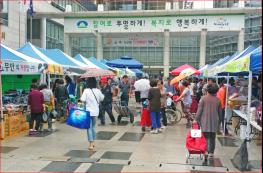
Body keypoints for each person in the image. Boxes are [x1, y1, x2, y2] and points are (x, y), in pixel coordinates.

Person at [195, 83, 222, 160]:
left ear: (207, 90)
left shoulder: (203, 99)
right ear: (216, 91)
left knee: (205, 137)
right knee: (212, 138)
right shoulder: (218, 100)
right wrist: (219, 123)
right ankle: (211, 153)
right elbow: (220, 114)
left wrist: (195, 119)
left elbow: (199, 111)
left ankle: (206, 151)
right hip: (214, 122)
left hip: (204, 122)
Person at [80, 77, 104, 150]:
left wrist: (81, 93)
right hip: (96, 112)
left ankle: (91, 143)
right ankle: (93, 142)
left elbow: (82, 100)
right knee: (93, 127)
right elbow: (102, 98)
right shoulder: (98, 90)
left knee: (89, 128)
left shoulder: (86, 90)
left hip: (88, 112)